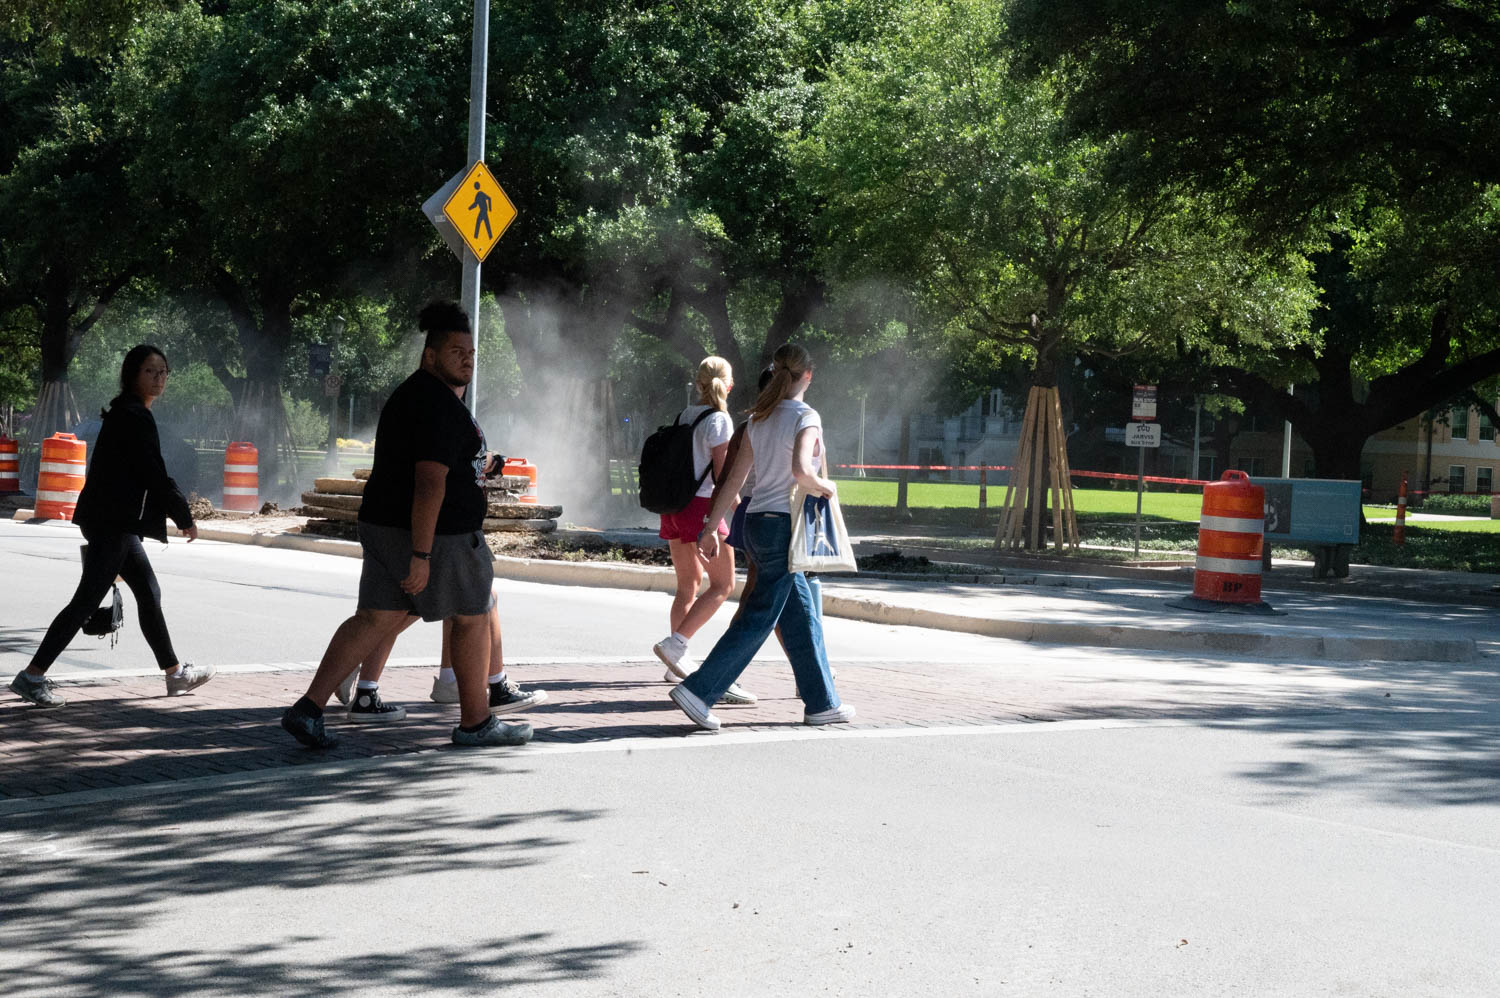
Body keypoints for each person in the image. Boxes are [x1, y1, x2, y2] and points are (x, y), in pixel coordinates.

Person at [279, 301, 528, 748]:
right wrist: (422, 554)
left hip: (385, 524)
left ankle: (309, 709)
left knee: (377, 616)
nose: (467, 359)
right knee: (473, 615)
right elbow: (430, 483)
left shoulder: (419, 396)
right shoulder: (435, 405)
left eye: (471, 352)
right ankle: (476, 722)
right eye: (455, 351)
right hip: (439, 536)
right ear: (429, 355)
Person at [10, 346, 215, 708]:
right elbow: (153, 470)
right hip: (112, 521)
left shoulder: (128, 412)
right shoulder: (133, 416)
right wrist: (183, 515)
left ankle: (174, 673)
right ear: (132, 375)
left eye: (163, 371)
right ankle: (32, 676)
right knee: (86, 601)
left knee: (149, 592)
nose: (159, 378)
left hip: (115, 520)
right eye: (151, 371)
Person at [669, 343, 853, 732]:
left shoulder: (759, 419)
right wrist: (826, 486)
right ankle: (700, 691)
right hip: (785, 529)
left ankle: (822, 703)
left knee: (801, 617)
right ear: (808, 375)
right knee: (758, 618)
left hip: (754, 523)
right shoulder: (806, 416)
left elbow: (732, 479)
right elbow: (802, 471)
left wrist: (708, 527)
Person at [651, 356, 755, 706]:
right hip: (702, 509)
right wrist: (741, 509)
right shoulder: (720, 421)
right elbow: (724, 477)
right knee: (723, 584)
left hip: (675, 508)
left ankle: (674, 663)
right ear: (727, 385)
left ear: (698, 383)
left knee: (687, 585)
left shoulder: (686, 415)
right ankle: (676, 645)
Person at [332, 596, 546, 720]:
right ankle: (495, 687)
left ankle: (450, 680)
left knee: (451, 604)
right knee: (479, 596)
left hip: (435, 537)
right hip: (443, 538)